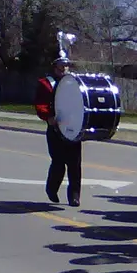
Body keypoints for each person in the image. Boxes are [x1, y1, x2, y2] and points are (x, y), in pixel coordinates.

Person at [34, 52, 82, 207]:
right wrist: (48, 117)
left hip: (73, 129)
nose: (64, 68)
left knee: (75, 164)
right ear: (54, 66)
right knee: (58, 162)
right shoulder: (45, 84)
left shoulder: (74, 83)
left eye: (66, 65)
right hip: (55, 129)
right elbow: (40, 104)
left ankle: (74, 196)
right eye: (61, 65)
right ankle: (52, 189)